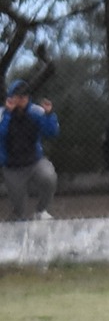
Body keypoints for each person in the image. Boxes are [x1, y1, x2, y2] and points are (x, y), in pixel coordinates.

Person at [0, 81, 59, 221]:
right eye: (18, 96)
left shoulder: (36, 112)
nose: (21, 100)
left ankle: (41, 210)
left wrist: (49, 114)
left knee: (49, 177)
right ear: (11, 97)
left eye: (24, 96)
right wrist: (8, 114)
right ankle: (18, 220)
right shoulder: (2, 113)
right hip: (12, 167)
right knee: (19, 208)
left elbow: (52, 132)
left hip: (34, 161)